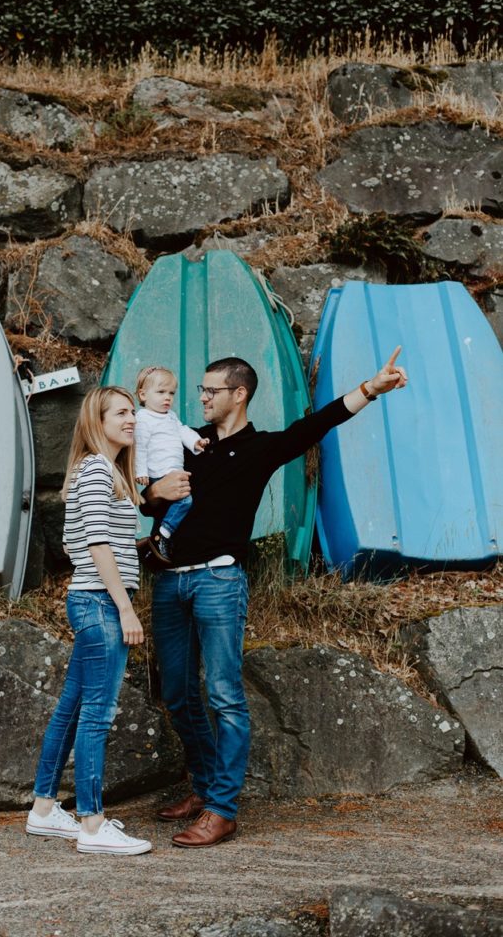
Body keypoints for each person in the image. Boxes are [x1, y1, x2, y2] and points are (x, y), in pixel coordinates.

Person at [143, 348, 408, 848]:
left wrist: (371, 389)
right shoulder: (186, 443)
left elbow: (317, 424)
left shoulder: (260, 448)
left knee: (224, 695)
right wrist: (156, 493)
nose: (202, 398)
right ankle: (204, 788)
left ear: (239, 394)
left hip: (219, 582)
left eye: (211, 390)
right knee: (177, 694)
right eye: (201, 390)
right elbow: (147, 498)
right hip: (170, 582)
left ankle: (222, 810)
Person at [27, 386, 152, 856]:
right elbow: (97, 543)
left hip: (90, 599)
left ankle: (44, 809)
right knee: (96, 714)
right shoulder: (98, 469)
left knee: (72, 708)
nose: (131, 419)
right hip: (101, 603)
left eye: (133, 412)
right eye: (121, 413)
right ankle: (93, 825)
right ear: (96, 422)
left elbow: (76, 541)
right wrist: (125, 607)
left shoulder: (95, 470)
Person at [134, 365, 209, 564]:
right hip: (159, 471)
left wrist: (196, 441)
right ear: (143, 395)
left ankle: (157, 542)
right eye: (161, 392)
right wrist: (141, 471)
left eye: (171, 393)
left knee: (176, 503)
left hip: (174, 470)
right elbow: (139, 446)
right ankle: (162, 535)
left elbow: (183, 431)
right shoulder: (143, 418)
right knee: (184, 501)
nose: (167, 398)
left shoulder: (171, 416)